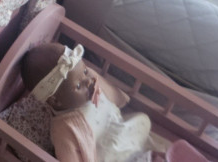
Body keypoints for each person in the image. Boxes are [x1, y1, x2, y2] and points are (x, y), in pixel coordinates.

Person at [22, 42, 169, 162]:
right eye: (78, 86)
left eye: (85, 71)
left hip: (120, 130)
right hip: (106, 154)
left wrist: (119, 97)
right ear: (56, 101)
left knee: (142, 122)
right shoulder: (64, 128)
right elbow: (69, 156)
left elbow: (110, 93)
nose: (88, 80)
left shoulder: (89, 83)